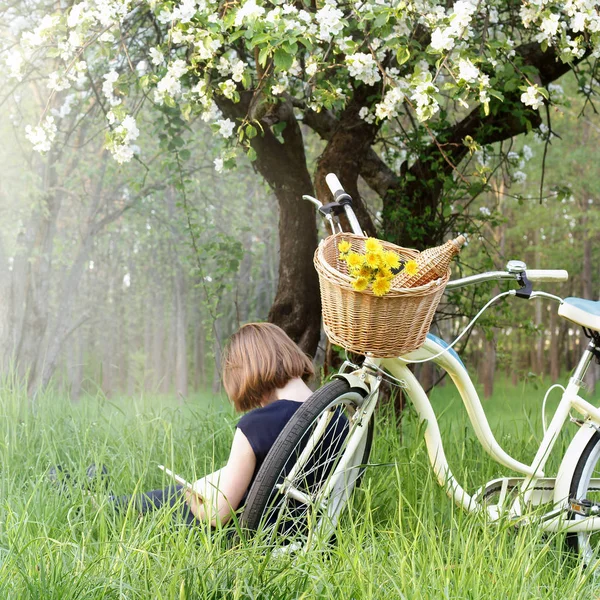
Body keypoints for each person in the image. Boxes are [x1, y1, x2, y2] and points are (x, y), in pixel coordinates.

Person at [110, 322, 315, 526]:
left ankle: (111, 506)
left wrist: (192, 499)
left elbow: (218, 515)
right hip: (311, 532)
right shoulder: (338, 416)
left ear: (253, 371)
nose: (259, 404)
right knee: (175, 495)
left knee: (177, 498)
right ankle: (115, 504)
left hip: (255, 535)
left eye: (254, 396)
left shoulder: (257, 424)